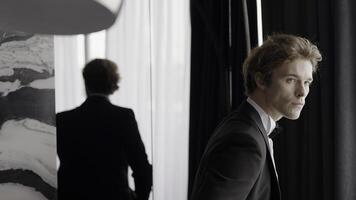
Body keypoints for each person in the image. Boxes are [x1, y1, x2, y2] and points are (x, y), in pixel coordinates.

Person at [190, 34, 322, 200]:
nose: (302, 92)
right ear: (260, 80)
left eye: (307, 82)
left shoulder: (247, 127)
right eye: (291, 80)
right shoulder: (244, 140)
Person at [57, 59, 152, 200]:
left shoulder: (63, 119)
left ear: (85, 82)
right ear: (112, 84)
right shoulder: (123, 117)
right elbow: (141, 167)